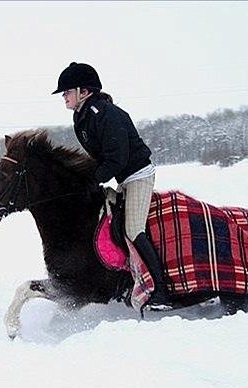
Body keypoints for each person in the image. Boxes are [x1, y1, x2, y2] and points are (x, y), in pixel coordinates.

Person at [52, 62, 172, 310]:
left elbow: (117, 158)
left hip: (138, 175)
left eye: (66, 92)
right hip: (123, 178)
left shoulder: (107, 114)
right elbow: (97, 158)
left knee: (133, 229)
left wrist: (93, 179)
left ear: (83, 91)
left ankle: (160, 290)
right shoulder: (82, 118)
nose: (63, 96)